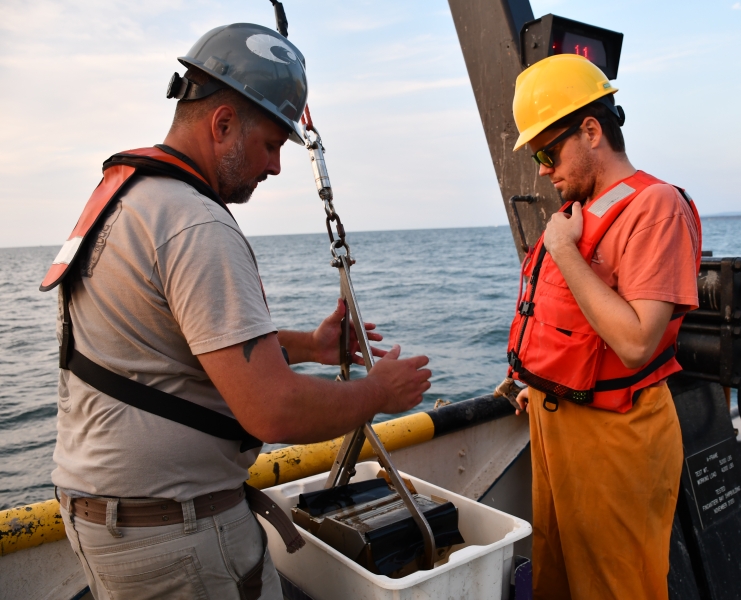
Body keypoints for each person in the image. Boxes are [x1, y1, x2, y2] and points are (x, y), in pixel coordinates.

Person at [40, 24, 431, 600]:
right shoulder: (196, 224)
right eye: (272, 144)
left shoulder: (131, 197)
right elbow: (271, 411)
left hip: (108, 522)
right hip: (175, 536)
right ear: (222, 123)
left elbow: (170, 337)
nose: (274, 167)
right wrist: (380, 392)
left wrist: (309, 346)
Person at [504, 54, 701, 599]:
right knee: (558, 578)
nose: (543, 167)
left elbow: (638, 341)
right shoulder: (582, 209)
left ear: (591, 130)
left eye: (548, 149)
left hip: (617, 436)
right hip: (557, 421)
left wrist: (564, 251)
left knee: (617, 587)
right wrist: (536, 381)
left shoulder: (656, 208)